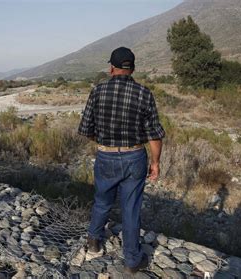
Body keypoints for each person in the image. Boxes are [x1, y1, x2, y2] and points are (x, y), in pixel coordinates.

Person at [78, 47, 165, 274]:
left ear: (111, 68)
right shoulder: (144, 93)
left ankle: (94, 240)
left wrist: (104, 141)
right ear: (133, 68)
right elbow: (154, 135)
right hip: (134, 156)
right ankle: (132, 260)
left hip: (106, 156)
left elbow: (86, 129)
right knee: (130, 209)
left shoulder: (97, 91)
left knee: (102, 200)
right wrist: (155, 163)